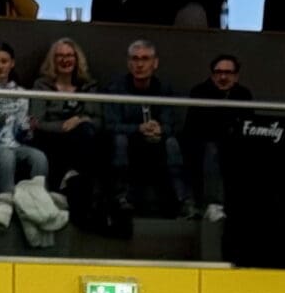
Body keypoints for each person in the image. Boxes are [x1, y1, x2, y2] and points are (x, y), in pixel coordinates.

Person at [106, 40, 192, 224]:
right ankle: (121, 197)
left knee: (172, 142)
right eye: (135, 59)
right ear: (129, 63)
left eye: (145, 59)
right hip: (129, 140)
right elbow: (111, 125)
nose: (139, 64)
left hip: (157, 142)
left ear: (155, 63)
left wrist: (160, 129)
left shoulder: (164, 89)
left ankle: (183, 201)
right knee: (119, 140)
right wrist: (139, 128)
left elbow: (172, 124)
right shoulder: (116, 89)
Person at [0, 42, 48, 220]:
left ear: (12, 63)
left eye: (4, 61)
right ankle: (3, 201)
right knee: (6, 155)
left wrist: (27, 127)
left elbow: (22, 135)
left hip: (14, 144)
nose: (0, 66)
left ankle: (38, 201)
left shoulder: (20, 93)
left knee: (38, 157)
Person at [32, 38, 107, 221]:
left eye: (69, 55)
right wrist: (67, 125)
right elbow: (37, 122)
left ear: (77, 59)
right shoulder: (42, 85)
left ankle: (80, 190)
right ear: (53, 60)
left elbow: (98, 121)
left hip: (82, 140)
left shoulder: (88, 86)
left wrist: (80, 120)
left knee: (88, 132)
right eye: (60, 56)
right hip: (51, 139)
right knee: (83, 133)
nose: (65, 60)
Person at [184, 51, 252, 221]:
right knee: (213, 149)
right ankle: (213, 205)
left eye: (228, 73)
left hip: (234, 145)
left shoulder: (243, 94)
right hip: (203, 145)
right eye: (218, 72)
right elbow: (197, 128)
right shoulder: (199, 92)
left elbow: (247, 126)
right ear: (212, 74)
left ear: (236, 76)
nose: (222, 77)